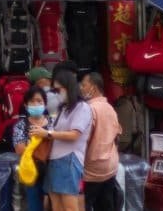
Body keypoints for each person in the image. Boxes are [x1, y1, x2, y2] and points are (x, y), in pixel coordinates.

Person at [31, 68, 93, 211]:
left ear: (68, 87)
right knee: (56, 203)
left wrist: (47, 134)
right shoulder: (64, 109)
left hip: (69, 159)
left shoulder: (82, 107)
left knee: (69, 204)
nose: (57, 94)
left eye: (59, 90)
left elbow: (74, 135)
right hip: (56, 160)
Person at [81, 72, 122, 211]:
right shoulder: (110, 108)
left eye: (84, 85)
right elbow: (117, 136)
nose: (81, 88)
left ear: (93, 87)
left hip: (92, 169)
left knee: (84, 204)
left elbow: (84, 140)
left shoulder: (89, 109)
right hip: (110, 166)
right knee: (106, 204)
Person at [13, 86, 51, 211]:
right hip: (31, 170)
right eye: (32, 101)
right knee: (34, 203)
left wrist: (33, 142)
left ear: (45, 104)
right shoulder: (21, 125)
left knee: (54, 203)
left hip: (53, 169)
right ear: (26, 105)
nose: (36, 104)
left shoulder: (53, 123)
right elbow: (20, 150)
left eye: (39, 101)